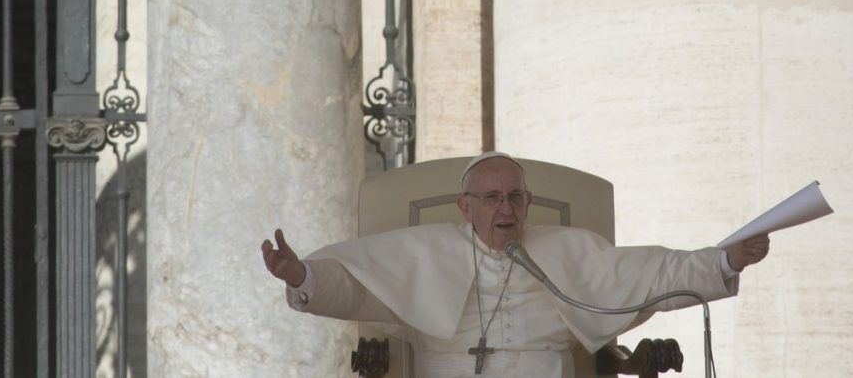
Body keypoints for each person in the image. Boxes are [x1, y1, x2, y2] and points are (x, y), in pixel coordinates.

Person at [262, 152, 770, 378]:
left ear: (527, 202)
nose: (505, 209)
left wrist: (724, 260)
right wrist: (301, 275)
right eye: (491, 198)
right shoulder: (422, 252)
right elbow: (355, 283)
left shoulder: (569, 251)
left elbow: (655, 273)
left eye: (514, 197)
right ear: (466, 207)